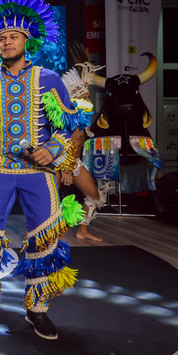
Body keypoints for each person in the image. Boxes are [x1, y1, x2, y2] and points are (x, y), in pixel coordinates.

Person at [0, 0, 86, 340]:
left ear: (27, 39)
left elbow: (72, 129)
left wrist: (55, 151)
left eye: (13, 36)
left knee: (43, 240)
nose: (7, 42)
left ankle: (37, 309)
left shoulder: (49, 79)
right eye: (1, 38)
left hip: (38, 175)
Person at [59, 58, 107, 242]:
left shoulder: (83, 117)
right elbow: (64, 144)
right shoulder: (67, 119)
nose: (88, 100)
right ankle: (46, 235)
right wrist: (66, 169)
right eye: (84, 98)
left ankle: (82, 231)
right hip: (60, 163)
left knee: (94, 195)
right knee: (50, 201)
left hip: (74, 163)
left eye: (88, 97)